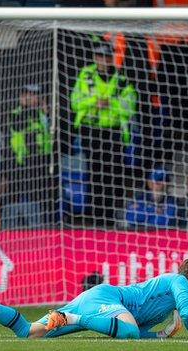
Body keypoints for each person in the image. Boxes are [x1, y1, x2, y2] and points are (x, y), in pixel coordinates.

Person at [0, 256, 188, 340]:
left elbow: (132, 329)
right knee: (129, 331)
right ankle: (69, 317)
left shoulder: (168, 296)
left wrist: (161, 336)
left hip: (99, 305)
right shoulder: (178, 282)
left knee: (29, 332)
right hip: (105, 299)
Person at [71, 39, 137, 227]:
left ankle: (109, 217)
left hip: (113, 132)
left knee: (113, 175)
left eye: (107, 56)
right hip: (91, 131)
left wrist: (110, 104)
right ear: (94, 57)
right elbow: (75, 101)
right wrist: (94, 101)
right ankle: (93, 217)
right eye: (100, 55)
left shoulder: (121, 79)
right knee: (94, 173)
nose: (103, 59)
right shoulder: (85, 75)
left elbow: (129, 105)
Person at [2, 84, 53, 228]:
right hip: (19, 163)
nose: (32, 97)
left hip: (41, 161)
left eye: (35, 94)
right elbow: (19, 126)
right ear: (22, 96)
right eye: (28, 94)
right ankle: (10, 229)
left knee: (40, 201)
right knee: (14, 199)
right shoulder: (14, 113)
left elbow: (49, 131)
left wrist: (46, 113)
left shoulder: (42, 113)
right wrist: (25, 107)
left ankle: (41, 228)